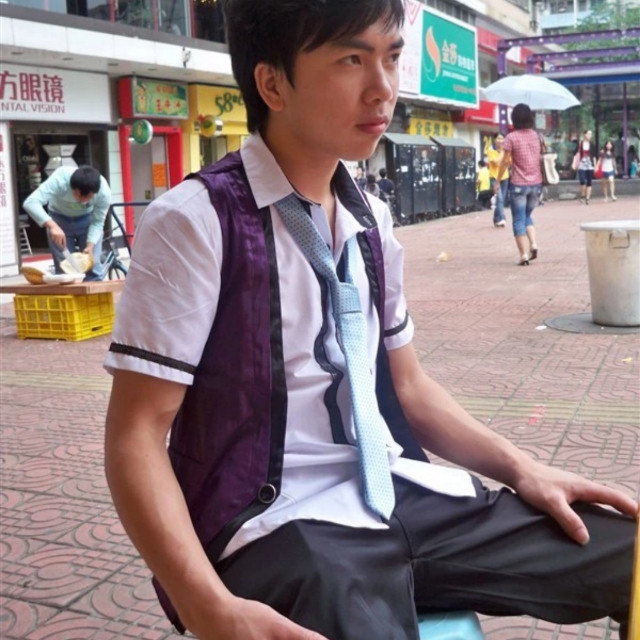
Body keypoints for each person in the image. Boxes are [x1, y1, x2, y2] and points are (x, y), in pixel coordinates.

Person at [103, 3, 636, 640]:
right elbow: (136, 434)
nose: (382, 88)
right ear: (272, 83)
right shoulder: (195, 221)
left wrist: (524, 469)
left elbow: (407, 387)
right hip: (275, 525)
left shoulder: (370, 220)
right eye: (351, 59)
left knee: (628, 553)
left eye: (391, 57)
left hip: (400, 492)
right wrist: (206, 605)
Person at [23, 165, 111, 280]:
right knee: (64, 267)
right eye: (78, 195)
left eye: (88, 197)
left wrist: (90, 245)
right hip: (58, 219)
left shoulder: (104, 192)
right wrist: (52, 226)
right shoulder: (60, 179)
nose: (82, 201)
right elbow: (30, 203)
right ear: (71, 187)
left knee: (92, 265)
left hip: (87, 221)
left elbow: (98, 222)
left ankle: (94, 289)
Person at [495, 104, 542, 266]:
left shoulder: (511, 138)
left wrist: (498, 180)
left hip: (518, 185)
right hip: (536, 184)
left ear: (514, 118)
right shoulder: (536, 136)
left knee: (518, 219)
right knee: (527, 215)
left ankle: (523, 255)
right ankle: (533, 244)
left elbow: (504, 162)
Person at [484, 133, 509, 227]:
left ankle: (496, 219)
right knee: (499, 198)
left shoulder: (506, 150)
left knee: (501, 199)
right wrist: (503, 152)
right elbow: (497, 163)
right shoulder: (490, 150)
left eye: (502, 138)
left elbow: (509, 161)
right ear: (495, 140)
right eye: (498, 138)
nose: (500, 140)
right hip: (494, 177)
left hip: (505, 176)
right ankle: (502, 218)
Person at [577, 130, 595, 204]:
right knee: (582, 181)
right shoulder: (580, 144)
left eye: (590, 134)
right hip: (581, 164)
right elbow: (576, 153)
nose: (590, 135)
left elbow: (594, 155)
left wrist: (595, 165)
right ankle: (582, 195)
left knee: (589, 181)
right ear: (585, 135)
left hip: (589, 164)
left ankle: (587, 198)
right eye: (588, 134)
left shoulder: (592, 144)